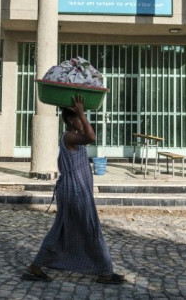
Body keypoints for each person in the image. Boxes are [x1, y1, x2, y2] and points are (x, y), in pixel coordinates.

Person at [23, 95, 126, 285]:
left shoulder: (73, 138)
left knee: (61, 230)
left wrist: (81, 114)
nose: (83, 120)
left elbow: (88, 136)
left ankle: (35, 266)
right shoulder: (69, 136)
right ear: (71, 120)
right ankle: (105, 271)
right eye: (80, 117)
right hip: (74, 192)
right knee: (90, 228)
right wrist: (80, 112)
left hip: (76, 191)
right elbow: (91, 136)